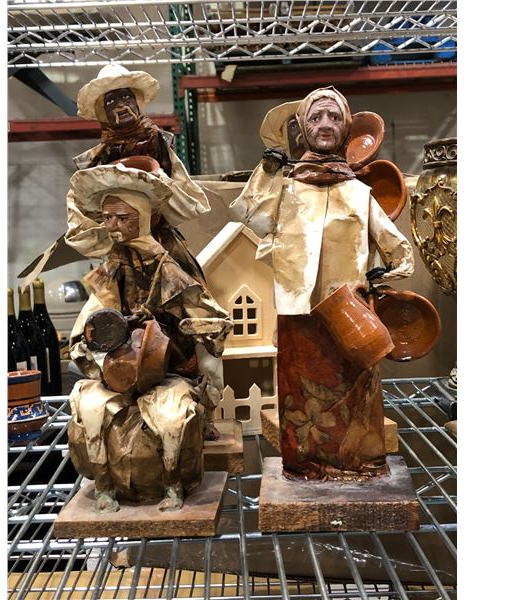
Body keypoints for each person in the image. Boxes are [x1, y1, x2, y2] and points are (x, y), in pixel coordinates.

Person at [230, 86, 414, 479]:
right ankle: (304, 466)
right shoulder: (286, 189)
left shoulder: (359, 193)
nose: (325, 124)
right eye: (316, 117)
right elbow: (252, 217)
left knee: (356, 390)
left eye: (334, 117)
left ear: (346, 128)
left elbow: (398, 250)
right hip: (298, 313)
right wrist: (267, 171)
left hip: (348, 313)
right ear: (302, 129)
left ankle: (361, 464)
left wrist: (379, 278)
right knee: (299, 393)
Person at [65, 163, 232, 512]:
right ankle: (105, 486)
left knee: (171, 418)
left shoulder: (167, 267)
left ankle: (173, 484)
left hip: (167, 369)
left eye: (122, 218)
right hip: (121, 366)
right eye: (107, 218)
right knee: (89, 408)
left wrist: (192, 331)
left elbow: (205, 314)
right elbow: (96, 309)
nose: (112, 226)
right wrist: (85, 341)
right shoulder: (114, 265)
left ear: (143, 218)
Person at [74, 63, 210, 283]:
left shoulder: (157, 140)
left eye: (126, 97)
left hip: (160, 232)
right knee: (120, 288)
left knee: (188, 282)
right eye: (111, 101)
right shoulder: (99, 156)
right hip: (123, 235)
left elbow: (179, 184)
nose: (121, 105)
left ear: (137, 101)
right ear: (102, 111)